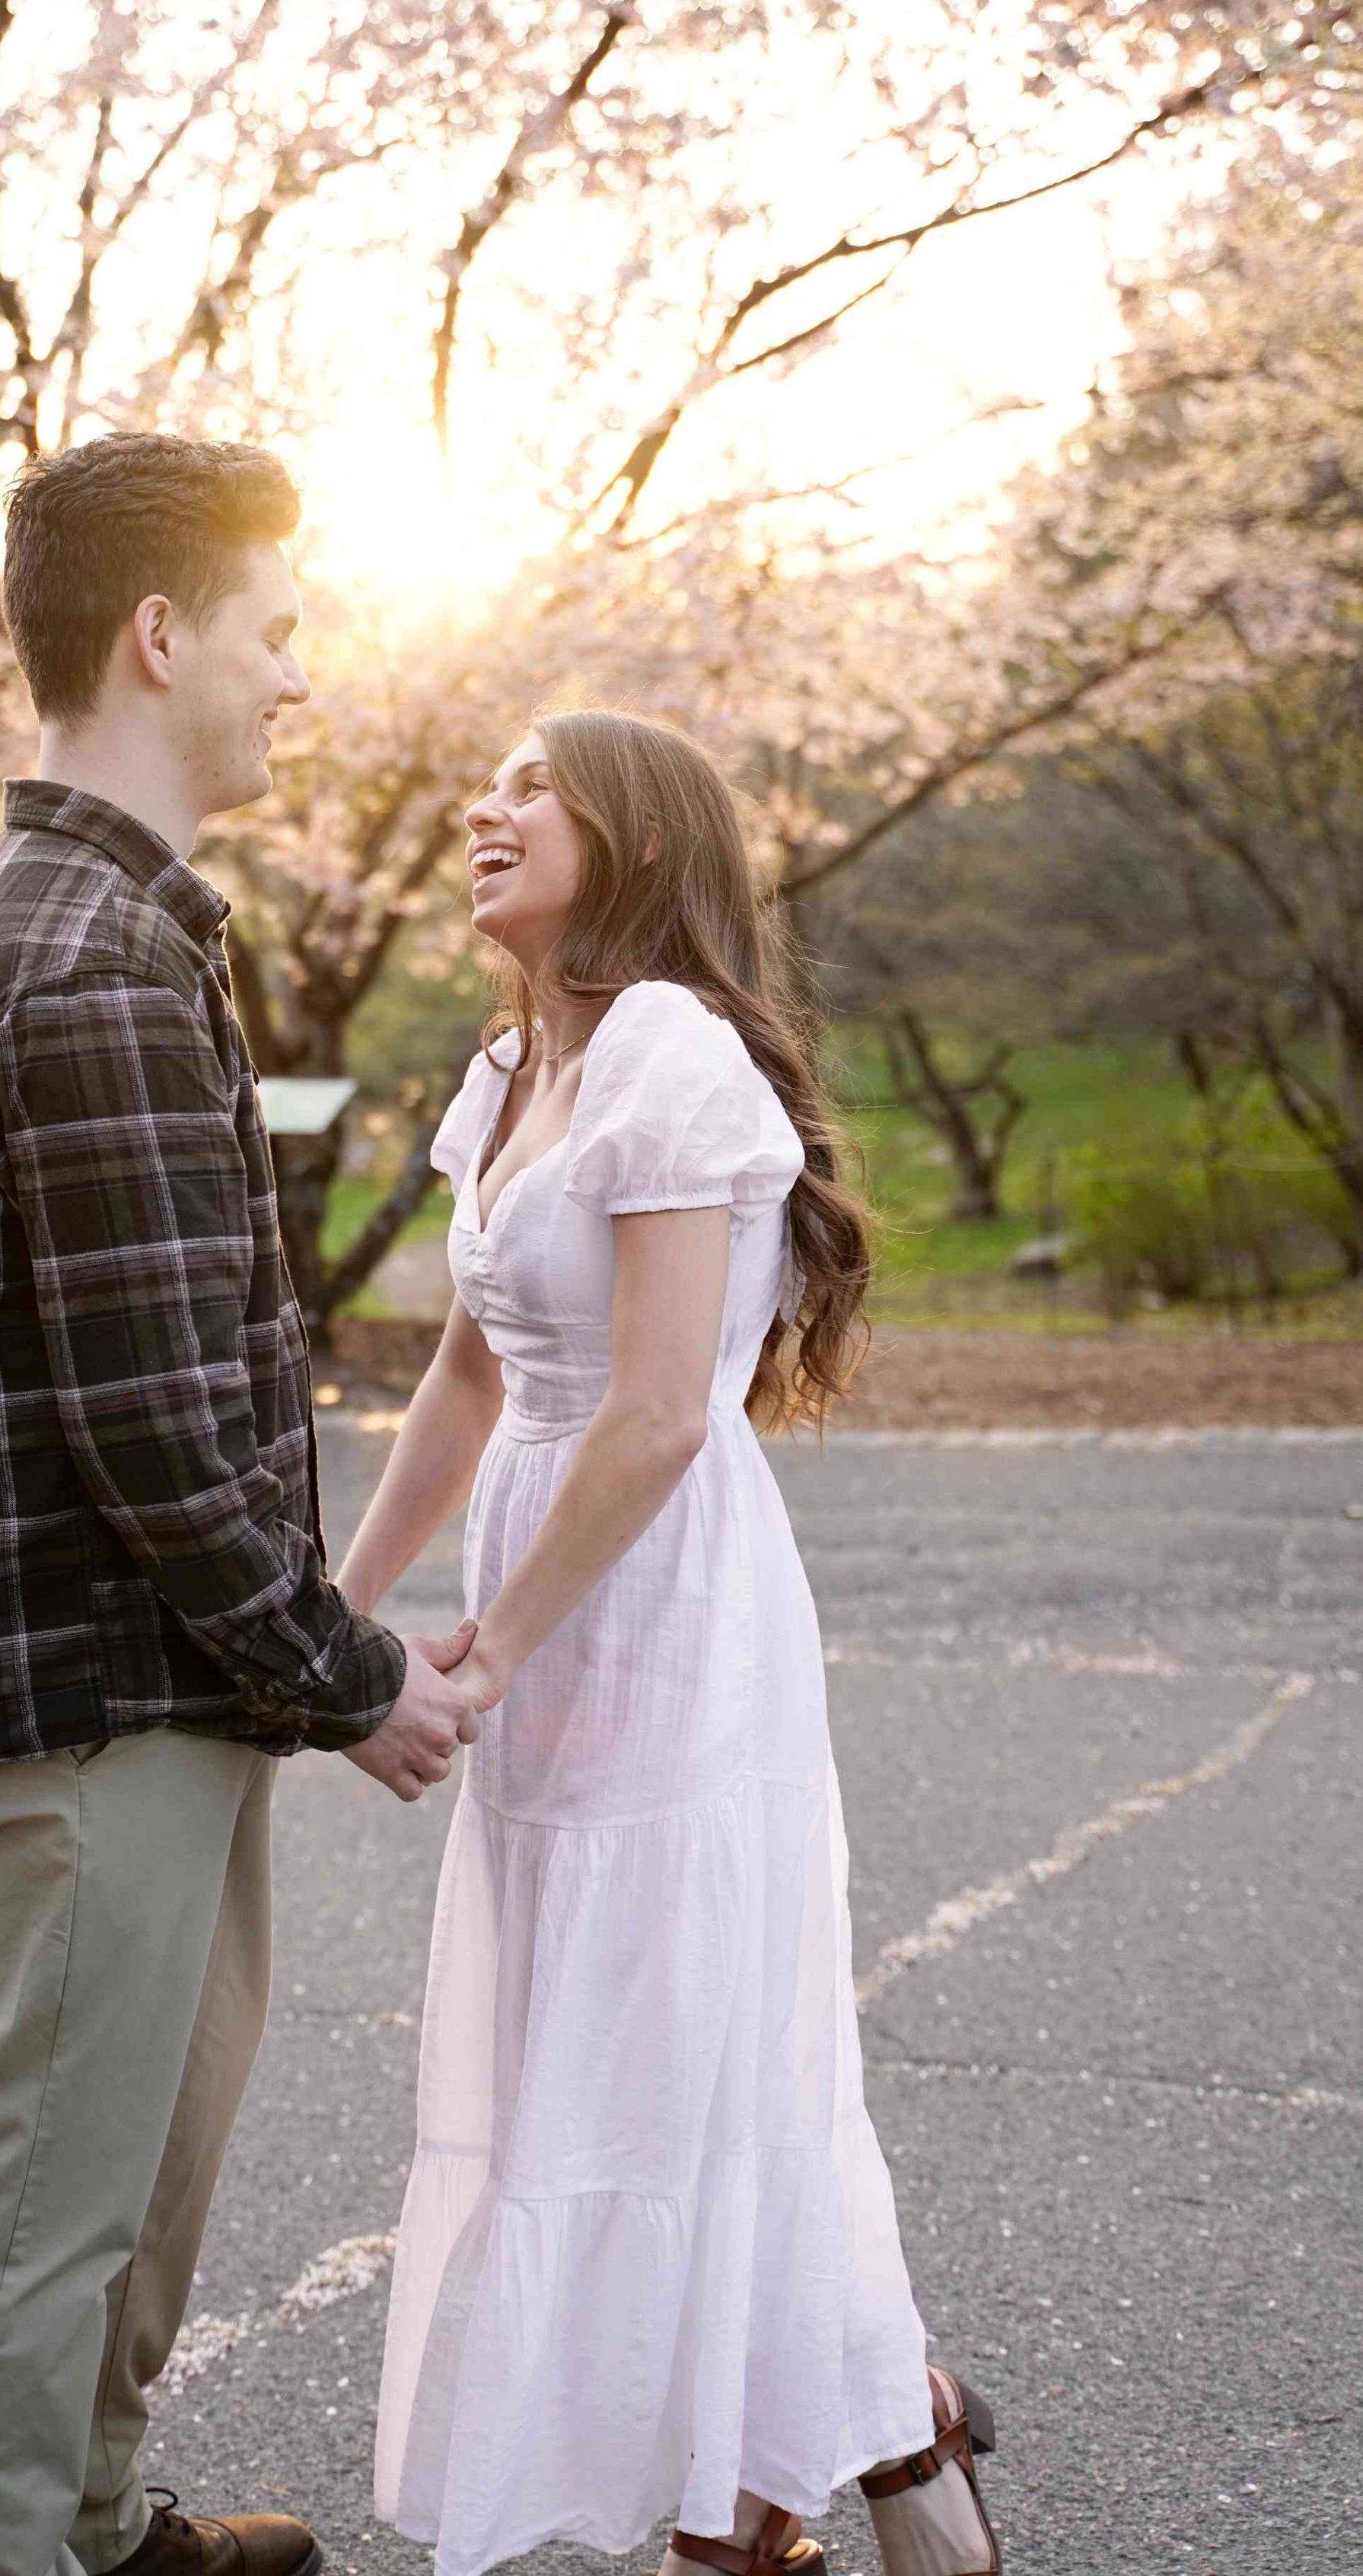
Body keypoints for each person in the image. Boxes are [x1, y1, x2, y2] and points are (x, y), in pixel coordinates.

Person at [0, 432, 478, 2576]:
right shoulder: (89, 958)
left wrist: (292, 1667)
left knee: (130, 2163)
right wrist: (351, 1672)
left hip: (158, 1678)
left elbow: (169, 1383)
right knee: (33, 2192)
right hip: (96, 1689)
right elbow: (145, 1422)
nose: (300, 677)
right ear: (158, 633)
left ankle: (100, 2524)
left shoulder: (106, 924)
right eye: (278, 630)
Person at [344, 711, 1002, 2576]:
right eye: (484, 778)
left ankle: (749, 2514)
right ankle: (901, 2416)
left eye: (528, 782)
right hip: (543, 1594)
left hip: (661, 1604)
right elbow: (468, 1370)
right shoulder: (508, 1065)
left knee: (695, 2064)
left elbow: (649, 1415)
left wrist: (476, 1653)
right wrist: (345, 1595)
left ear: (627, 834)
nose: (482, 804)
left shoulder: (673, 1056)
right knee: (598, 2051)